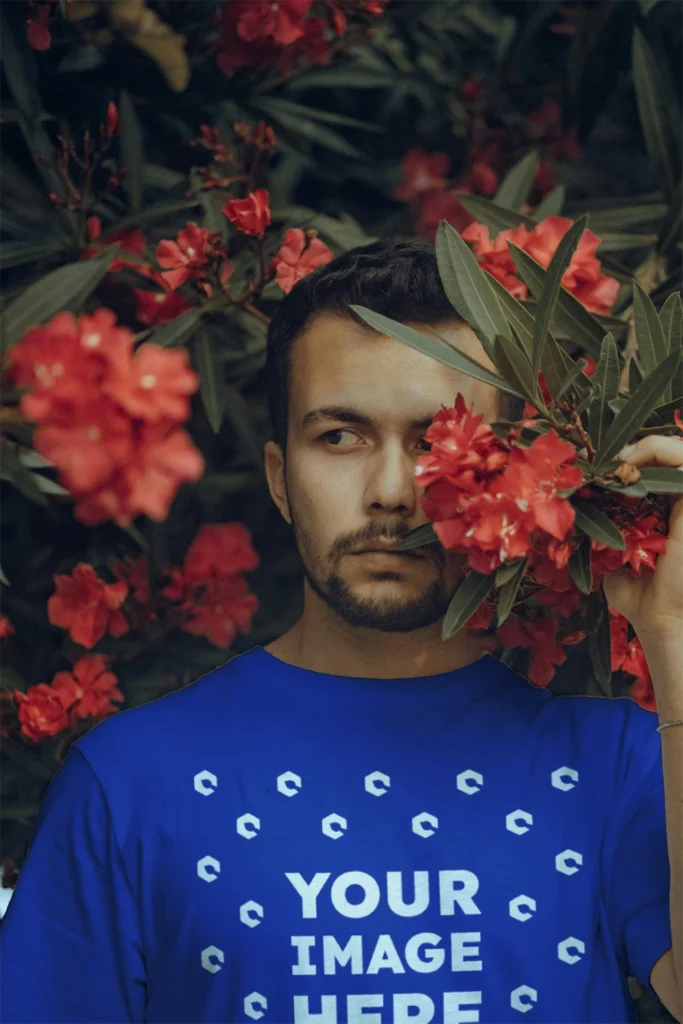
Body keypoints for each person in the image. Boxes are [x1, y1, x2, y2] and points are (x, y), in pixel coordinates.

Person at [0, 237, 676, 1023]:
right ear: (280, 479)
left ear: (512, 474)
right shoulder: (127, 783)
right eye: (339, 437)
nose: (391, 492)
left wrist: (674, 630)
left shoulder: (617, 766)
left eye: (435, 441)